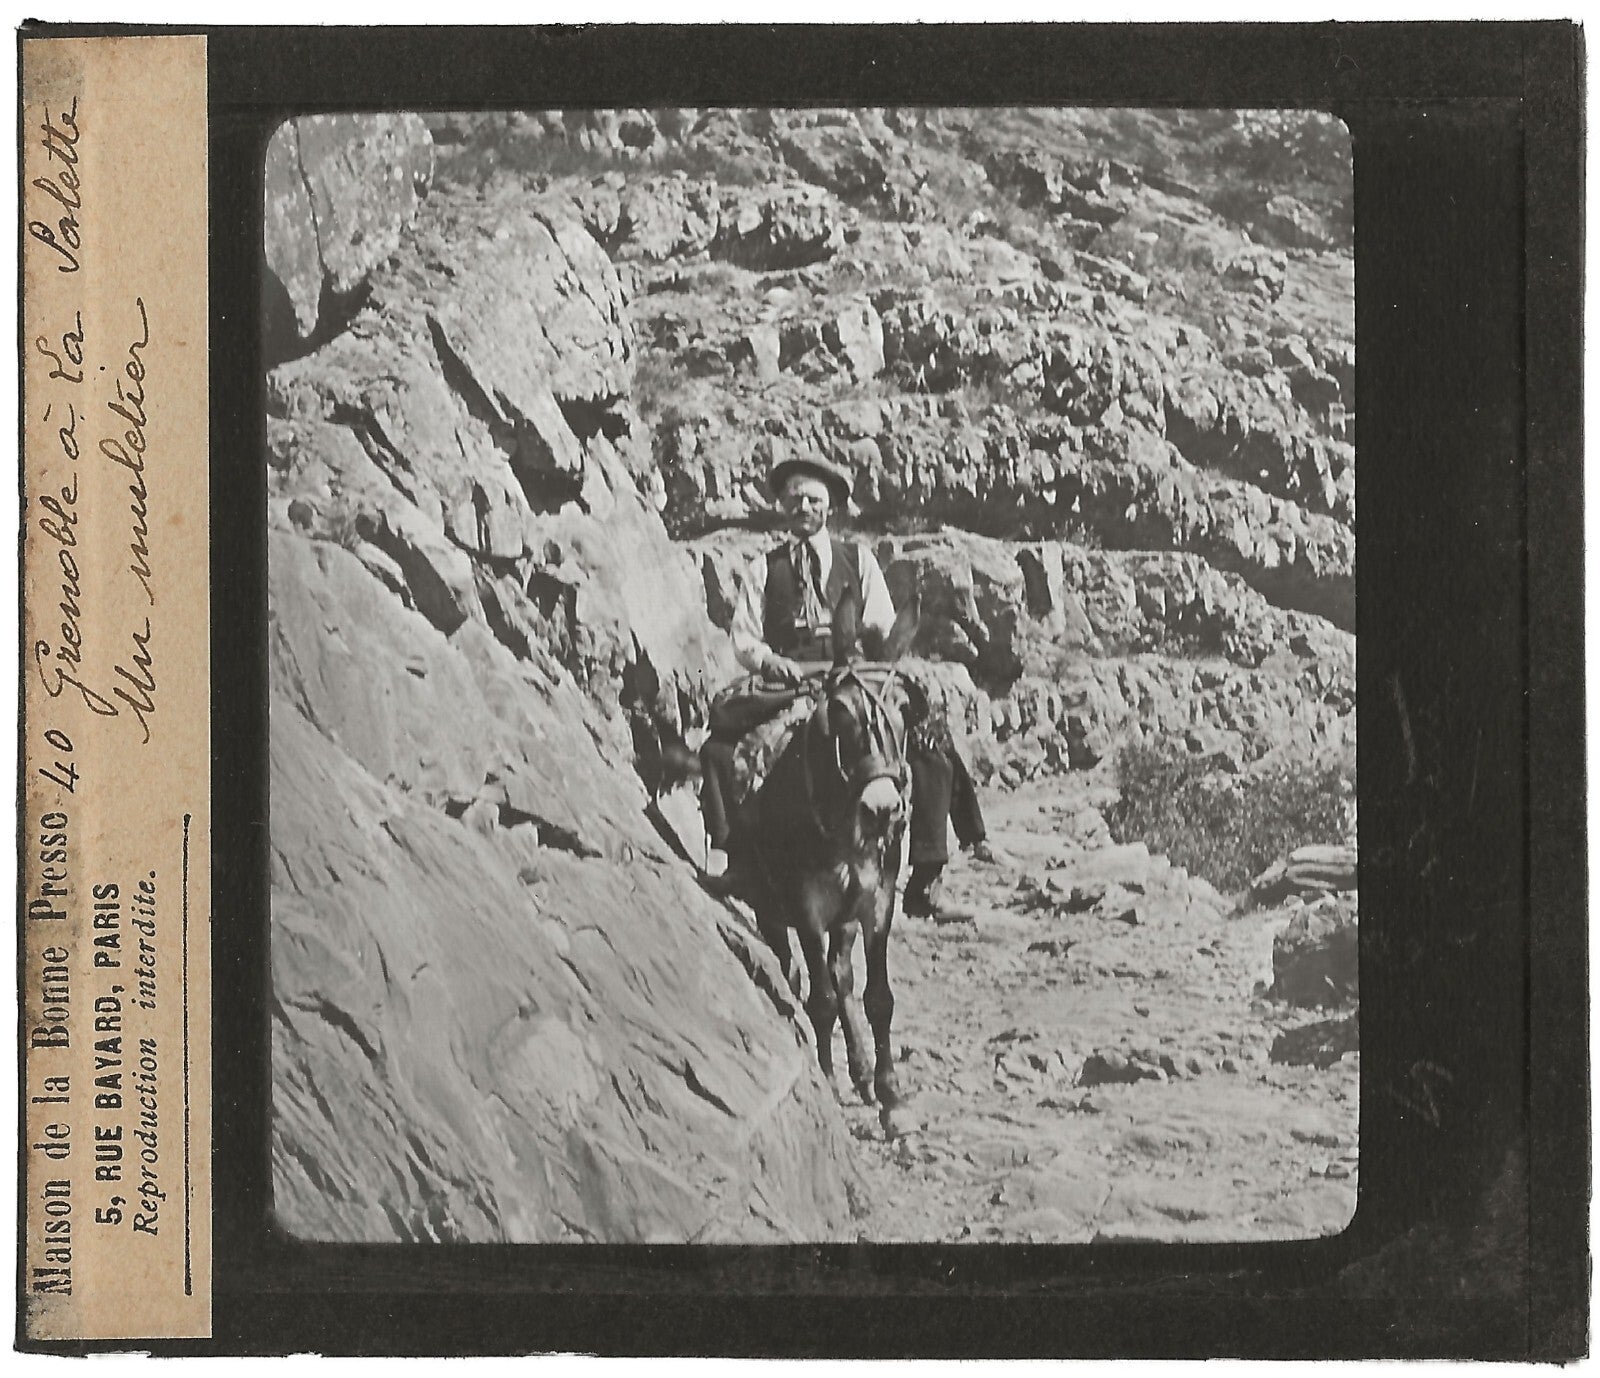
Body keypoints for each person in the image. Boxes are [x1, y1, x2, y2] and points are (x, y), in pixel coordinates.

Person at [700, 452, 996, 917]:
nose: (802, 507)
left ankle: (926, 877)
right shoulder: (764, 568)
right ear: (782, 506)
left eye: (812, 500)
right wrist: (771, 660)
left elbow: (879, 623)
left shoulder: (857, 560)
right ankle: (734, 860)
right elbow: (744, 638)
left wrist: (861, 663)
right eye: (794, 499)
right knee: (720, 748)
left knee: (929, 745)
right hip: (792, 682)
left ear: (829, 508)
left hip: (854, 677)